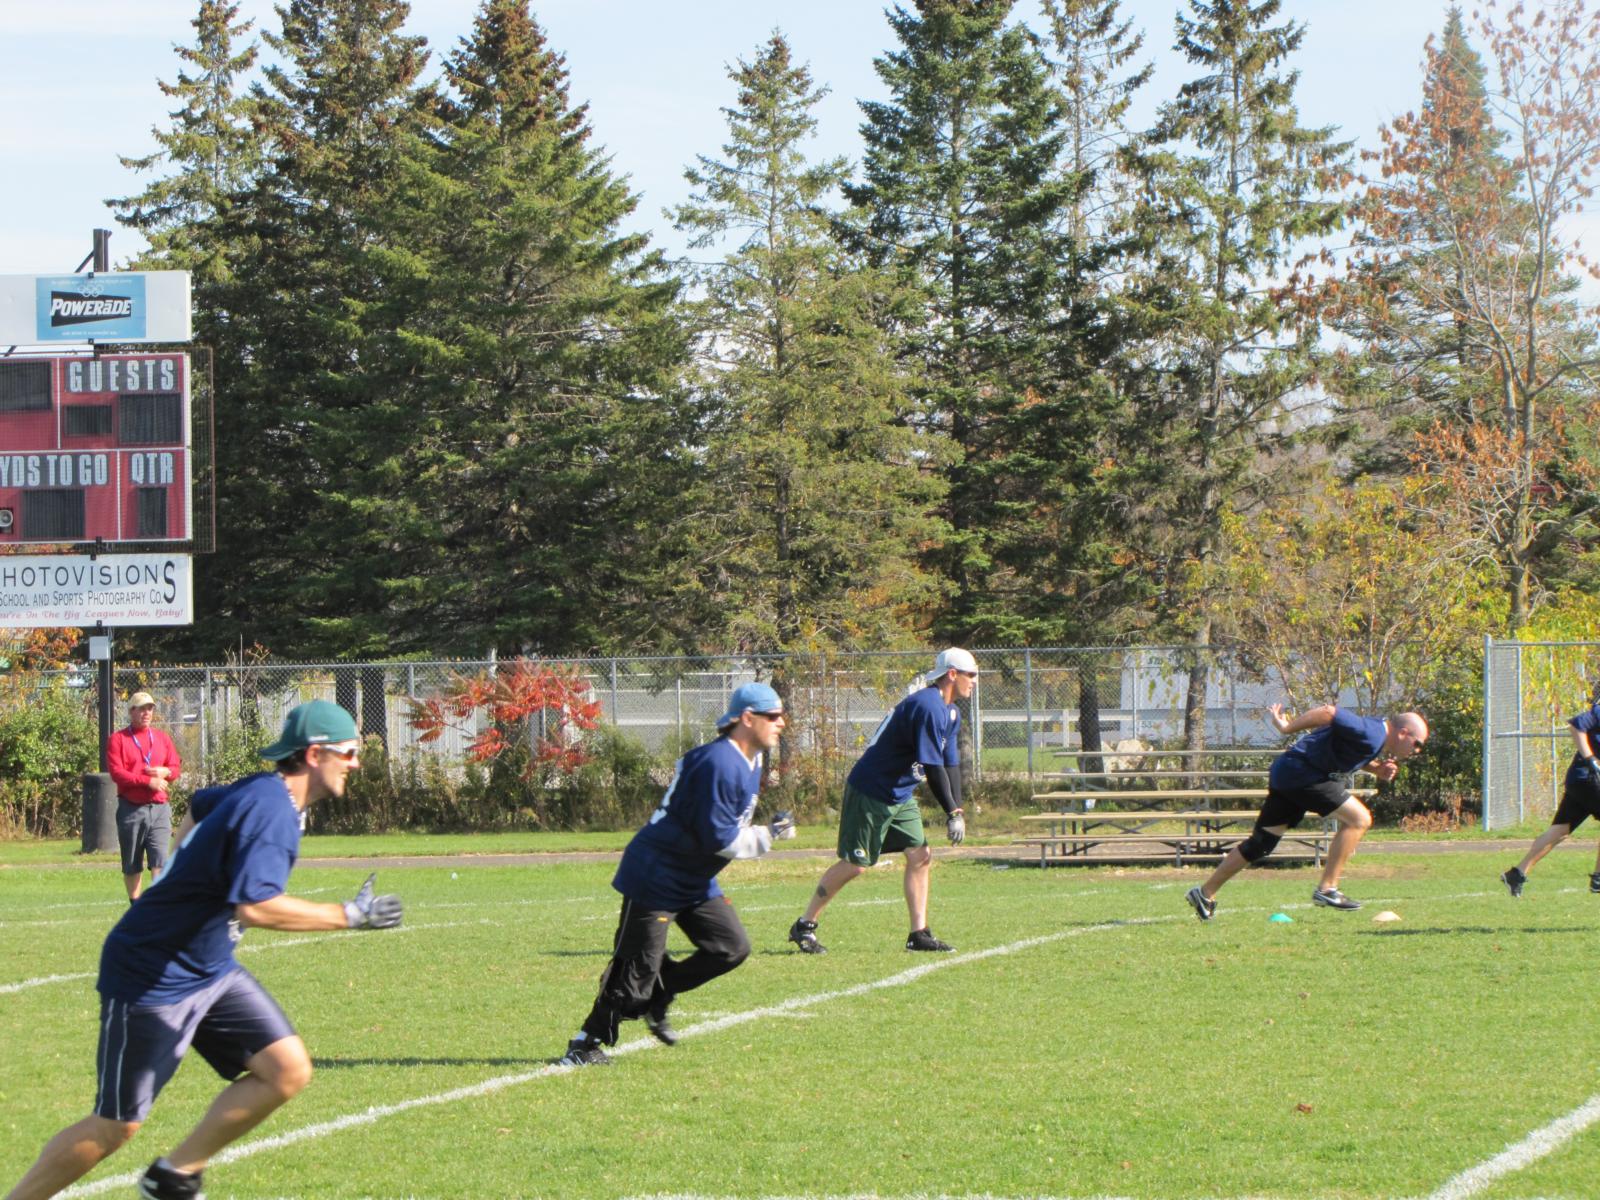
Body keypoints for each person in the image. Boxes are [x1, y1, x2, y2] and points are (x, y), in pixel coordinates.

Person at [4, 700, 402, 1200]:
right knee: (116, 1124)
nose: (355, 763)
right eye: (347, 752)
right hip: (154, 972)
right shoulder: (272, 810)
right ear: (314, 754)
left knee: (287, 1070)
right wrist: (350, 915)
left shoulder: (267, 792)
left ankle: (173, 1175)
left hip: (210, 968)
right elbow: (255, 906)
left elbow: (200, 803)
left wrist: (174, 873)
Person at [560, 682, 794, 1068]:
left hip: (695, 877)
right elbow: (720, 838)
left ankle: (660, 994)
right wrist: (768, 835)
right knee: (634, 977)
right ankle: (585, 1042)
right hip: (657, 875)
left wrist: (766, 832)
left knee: (730, 948)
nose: (781, 722)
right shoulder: (719, 763)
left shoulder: (750, 760)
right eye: (772, 715)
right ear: (747, 718)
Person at [787, 647, 975, 956]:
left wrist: (958, 810)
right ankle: (804, 925)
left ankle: (919, 934)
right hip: (872, 790)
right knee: (856, 865)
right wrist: (951, 811)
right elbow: (932, 767)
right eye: (971, 674)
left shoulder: (951, 711)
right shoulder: (928, 705)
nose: (975, 681)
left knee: (920, 855)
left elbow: (950, 764)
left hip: (900, 793)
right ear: (952, 674)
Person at [1185, 702, 1428, 920]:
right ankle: (1327, 888)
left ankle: (1204, 894)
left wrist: (1376, 769)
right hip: (1304, 775)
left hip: (1290, 773)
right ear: (1403, 733)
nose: (1417, 751)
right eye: (1417, 744)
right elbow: (1329, 712)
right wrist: (1287, 728)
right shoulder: (1374, 732)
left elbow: (1346, 750)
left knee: (1261, 844)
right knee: (1360, 819)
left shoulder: (1374, 738)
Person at [1501, 692, 1600, 897]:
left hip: (1579, 781)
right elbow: (1576, 725)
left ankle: (1517, 874)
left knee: (1560, 830)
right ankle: (1599, 878)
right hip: (1588, 778)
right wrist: (1591, 759)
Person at [106, 691, 183, 903]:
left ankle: (157, 906)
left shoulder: (162, 738)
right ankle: (136, 906)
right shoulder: (118, 740)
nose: (146, 713)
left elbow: (175, 768)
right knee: (132, 863)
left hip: (159, 808)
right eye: (141, 709)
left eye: (150, 708)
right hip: (131, 808)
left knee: (160, 860)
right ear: (131, 711)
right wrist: (147, 781)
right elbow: (117, 773)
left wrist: (166, 772)